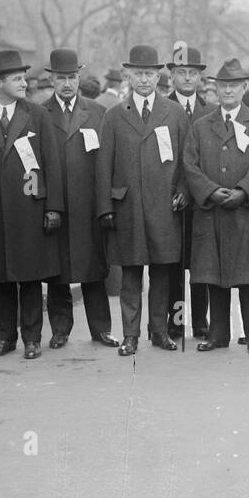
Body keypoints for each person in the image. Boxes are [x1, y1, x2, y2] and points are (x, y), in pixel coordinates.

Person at [94, 44, 189, 355]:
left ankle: (160, 332)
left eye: (149, 74)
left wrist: (183, 192)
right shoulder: (113, 116)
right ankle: (130, 335)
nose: (145, 80)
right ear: (128, 76)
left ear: (159, 75)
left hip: (164, 207)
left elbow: (188, 159)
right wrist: (106, 207)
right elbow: (103, 165)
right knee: (131, 274)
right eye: (138, 74)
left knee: (162, 272)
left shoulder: (173, 113)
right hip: (128, 206)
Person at [183, 58, 249, 353]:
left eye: (234, 85)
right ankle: (217, 335)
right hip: (212, 212)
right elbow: (190, 165)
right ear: (214, 88)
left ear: (245, 87)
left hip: (247, 211)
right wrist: (210, 192)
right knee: (215, 277)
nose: (228, 91)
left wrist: (243, 191)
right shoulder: (200, 126)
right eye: (223, 85)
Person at [0, 49, 64, 360]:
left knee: (29, 277)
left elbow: (51, 163)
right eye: (16, 79)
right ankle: (5, 338)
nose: (24, 84)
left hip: (29, 208)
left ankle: (32, 337)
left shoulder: (37, 115)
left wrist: (54, 207)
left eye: (24, 78)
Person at [41, 48, 116, 348]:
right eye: (61, 79)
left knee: (94, 268)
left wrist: (105, 206)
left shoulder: (97, 113)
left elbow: (107, 162)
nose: (67, 84)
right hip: (57, 204)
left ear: (79, 77)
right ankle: (60, 329)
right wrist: (48, 204)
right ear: (52, 81)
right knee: (58, 270)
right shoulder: (40, 113)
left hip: (88, 204)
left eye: (72, 77)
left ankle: (101, 328)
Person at [166, 45, 212, 341]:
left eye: (192, 73)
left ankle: (201, 322)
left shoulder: (210, 111)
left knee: (200, 265)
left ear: (199, 77)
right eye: (181, 72)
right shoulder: (161, 107)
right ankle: (176, 321)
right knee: (173, 266)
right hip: (170, 199)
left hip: (202, 200)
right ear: (171, 75)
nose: (186, 78)